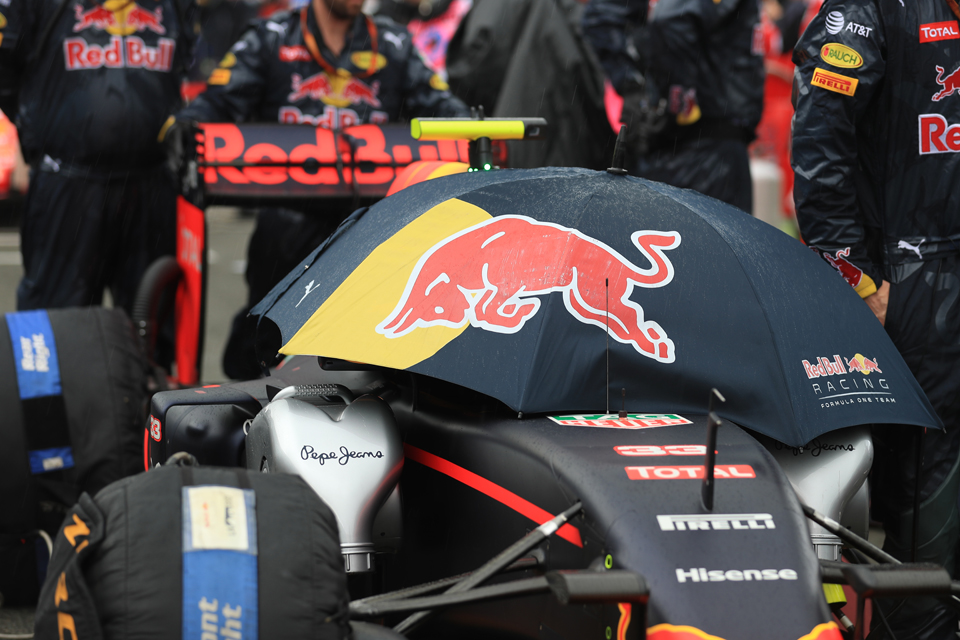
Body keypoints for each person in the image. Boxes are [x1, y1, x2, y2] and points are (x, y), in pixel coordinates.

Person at [171, 0, 469, 378]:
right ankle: (258, 359)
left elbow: (446, 108)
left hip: (369, 218)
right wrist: (186, 125)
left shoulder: (394, 44)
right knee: (279, 237)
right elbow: (217, 100)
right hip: (290, 214)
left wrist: (473, 126)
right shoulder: (271, 37)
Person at [793, 0, 960, 636]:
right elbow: (818, 143)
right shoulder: (867, 12)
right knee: (923, 479)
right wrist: (855, 280)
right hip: (909, 280)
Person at [0, 0, 198, 316]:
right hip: (68, 183)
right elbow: (5, 67)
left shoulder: (176, 5)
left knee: (153, 317)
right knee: (55, 319)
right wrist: (35, 130)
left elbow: (190, 63)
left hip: (152, 185)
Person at [582, 0, 765, 212]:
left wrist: (636, 87)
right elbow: (671, 18)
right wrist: (673, 99)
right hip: (702, 146)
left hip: (700, 141)